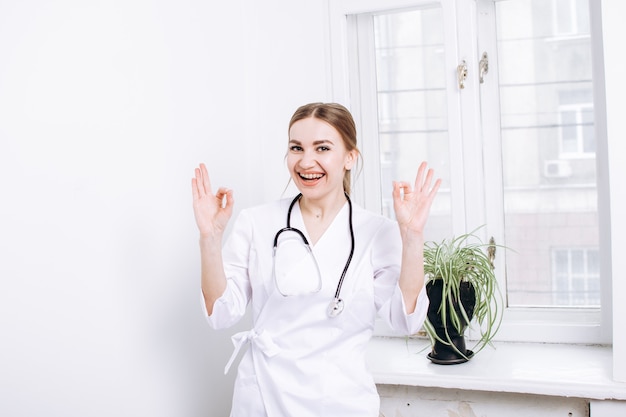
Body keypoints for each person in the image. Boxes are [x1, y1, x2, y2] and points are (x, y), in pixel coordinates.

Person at [191, 102, 441, 417]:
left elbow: (406, 320)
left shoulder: (378, 232)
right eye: (297, 148)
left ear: (350, 157)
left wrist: (413, 236)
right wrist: (210, 238)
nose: (306, 161)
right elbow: (220, 315)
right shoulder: (256, 222)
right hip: (264, 396)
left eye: (322, 148)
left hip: (342, 401)